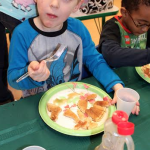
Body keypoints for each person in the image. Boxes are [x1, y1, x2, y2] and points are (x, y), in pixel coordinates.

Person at [7, 0, 139, 114]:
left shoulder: (78, 29)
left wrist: (117, 86)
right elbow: (13, 79)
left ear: (77, 5)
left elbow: (95, 61)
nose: (54, 4)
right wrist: (31, 75)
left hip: (74, 102)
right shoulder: (21, 34)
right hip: (35, 104)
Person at [0, 0, 37, 104]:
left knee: (28, 62)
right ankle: (4, 101)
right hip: (26, 11)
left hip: (28, 11)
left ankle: (4, 100)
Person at [98, 0, 150, 68]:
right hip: (113, 74)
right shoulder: (112, 27)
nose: (145, 29)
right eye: (140, 23)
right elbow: (111, 56)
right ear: (124, 12)